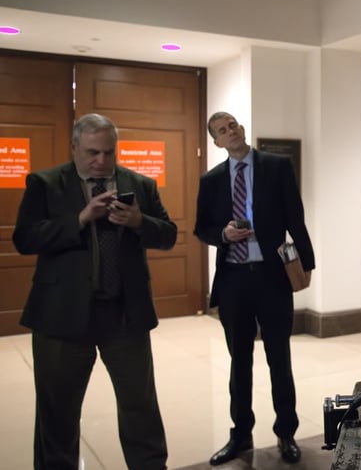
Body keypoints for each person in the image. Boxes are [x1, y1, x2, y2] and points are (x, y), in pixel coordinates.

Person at [13, 113, 176, 470]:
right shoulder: (45, 183)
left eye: (108, 152)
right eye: (92, 153)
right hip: (61, 317)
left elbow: (168, 234)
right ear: (74, 148)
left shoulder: (141, 185)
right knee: (58, 412)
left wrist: (138, 222)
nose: (101, 161)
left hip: (124, 316)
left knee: (140, 407)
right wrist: (80, 219)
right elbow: (24, 238)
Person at [194, 112, 315, 465]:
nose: (229, 132)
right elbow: (202, 228)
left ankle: (287, 433)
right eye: (221, 131)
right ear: (216, 142)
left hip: (272, 276)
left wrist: (306, 264)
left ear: (242, 128)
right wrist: (223, 235)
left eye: (232, 125)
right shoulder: (212, 179)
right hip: (233, 278)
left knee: (280, 357)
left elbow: (296, 216)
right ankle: (241, 435)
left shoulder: (276, 166)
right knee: (239, 361)